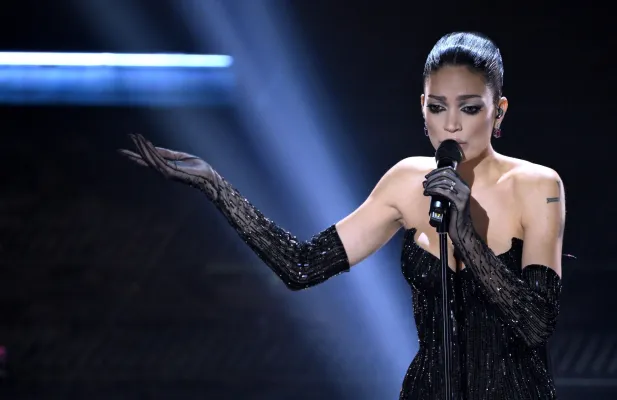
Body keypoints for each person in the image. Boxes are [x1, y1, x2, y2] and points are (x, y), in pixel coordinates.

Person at [119, 31, 565, 400]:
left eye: (469, 108)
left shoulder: (538, 187)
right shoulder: (405, 182)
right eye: (437, 107)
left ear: (498, 110)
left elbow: (536, 323)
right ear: (422, 108)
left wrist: (465, 234)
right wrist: (215, 187)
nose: (451, 125)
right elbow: (302, 265)